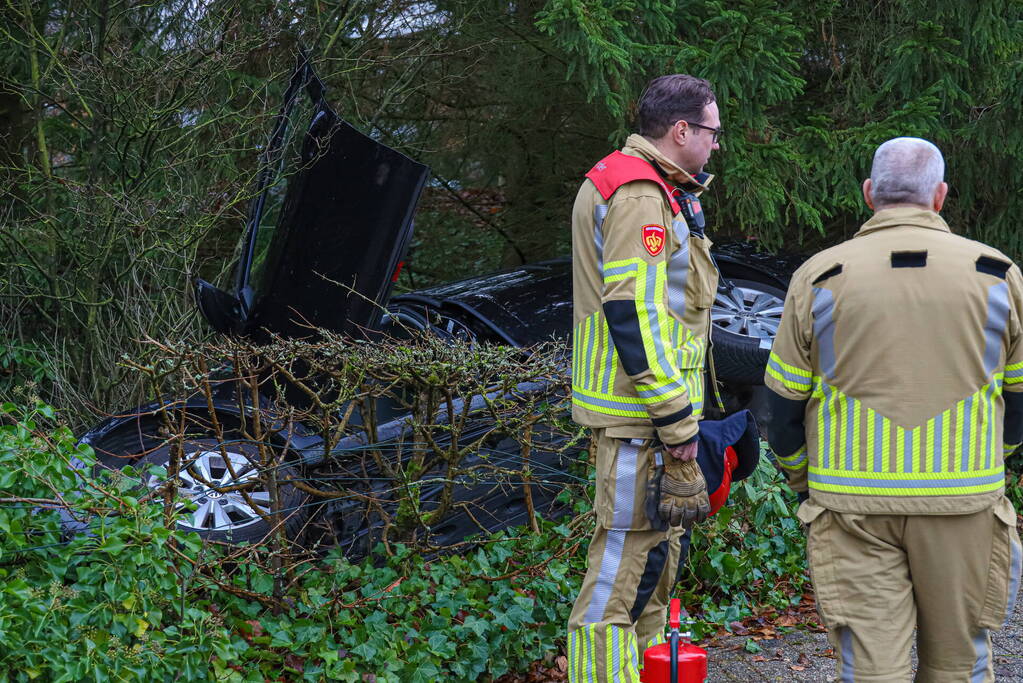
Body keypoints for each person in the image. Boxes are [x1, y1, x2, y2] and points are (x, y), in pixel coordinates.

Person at [765, 137, 1023, 682]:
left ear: (868, 195)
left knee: (872, 670)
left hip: (852, 504)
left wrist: (800, 477)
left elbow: (782, 403)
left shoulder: (818, 277)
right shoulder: (999, 275)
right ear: (941, 195)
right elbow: (1020, 400)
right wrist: (993, 459)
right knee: (959, 666)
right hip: (963, 502)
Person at [566, 74, 758, 682]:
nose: (716, 145)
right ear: (681, 131)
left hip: (648, 414)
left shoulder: (655, 189)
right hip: (640, 418)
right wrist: (677, 420)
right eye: (712, 132)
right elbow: (633, 312)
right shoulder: (640, 195)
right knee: (621, 573)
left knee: (652, 566)